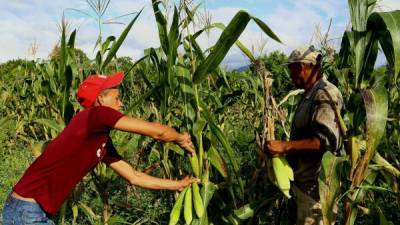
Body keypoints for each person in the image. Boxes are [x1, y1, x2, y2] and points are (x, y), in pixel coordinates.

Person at [2, 71, 198, 225]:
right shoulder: (96, 115)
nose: (121, 103)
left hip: (27, 210)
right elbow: (158, 132)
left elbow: (133, 176)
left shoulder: (97, 136)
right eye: (117, 98)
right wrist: (181, 138)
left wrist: (177, 184)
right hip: (27, 212)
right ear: (100, 100)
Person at [266, 46, 343, 225]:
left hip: (316, 193)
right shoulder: (309, 94)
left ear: (301, 67)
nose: (290, 75)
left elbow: (325, 143)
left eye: (291, 70)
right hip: (302, 188)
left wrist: (285, 146)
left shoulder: (325, 93)